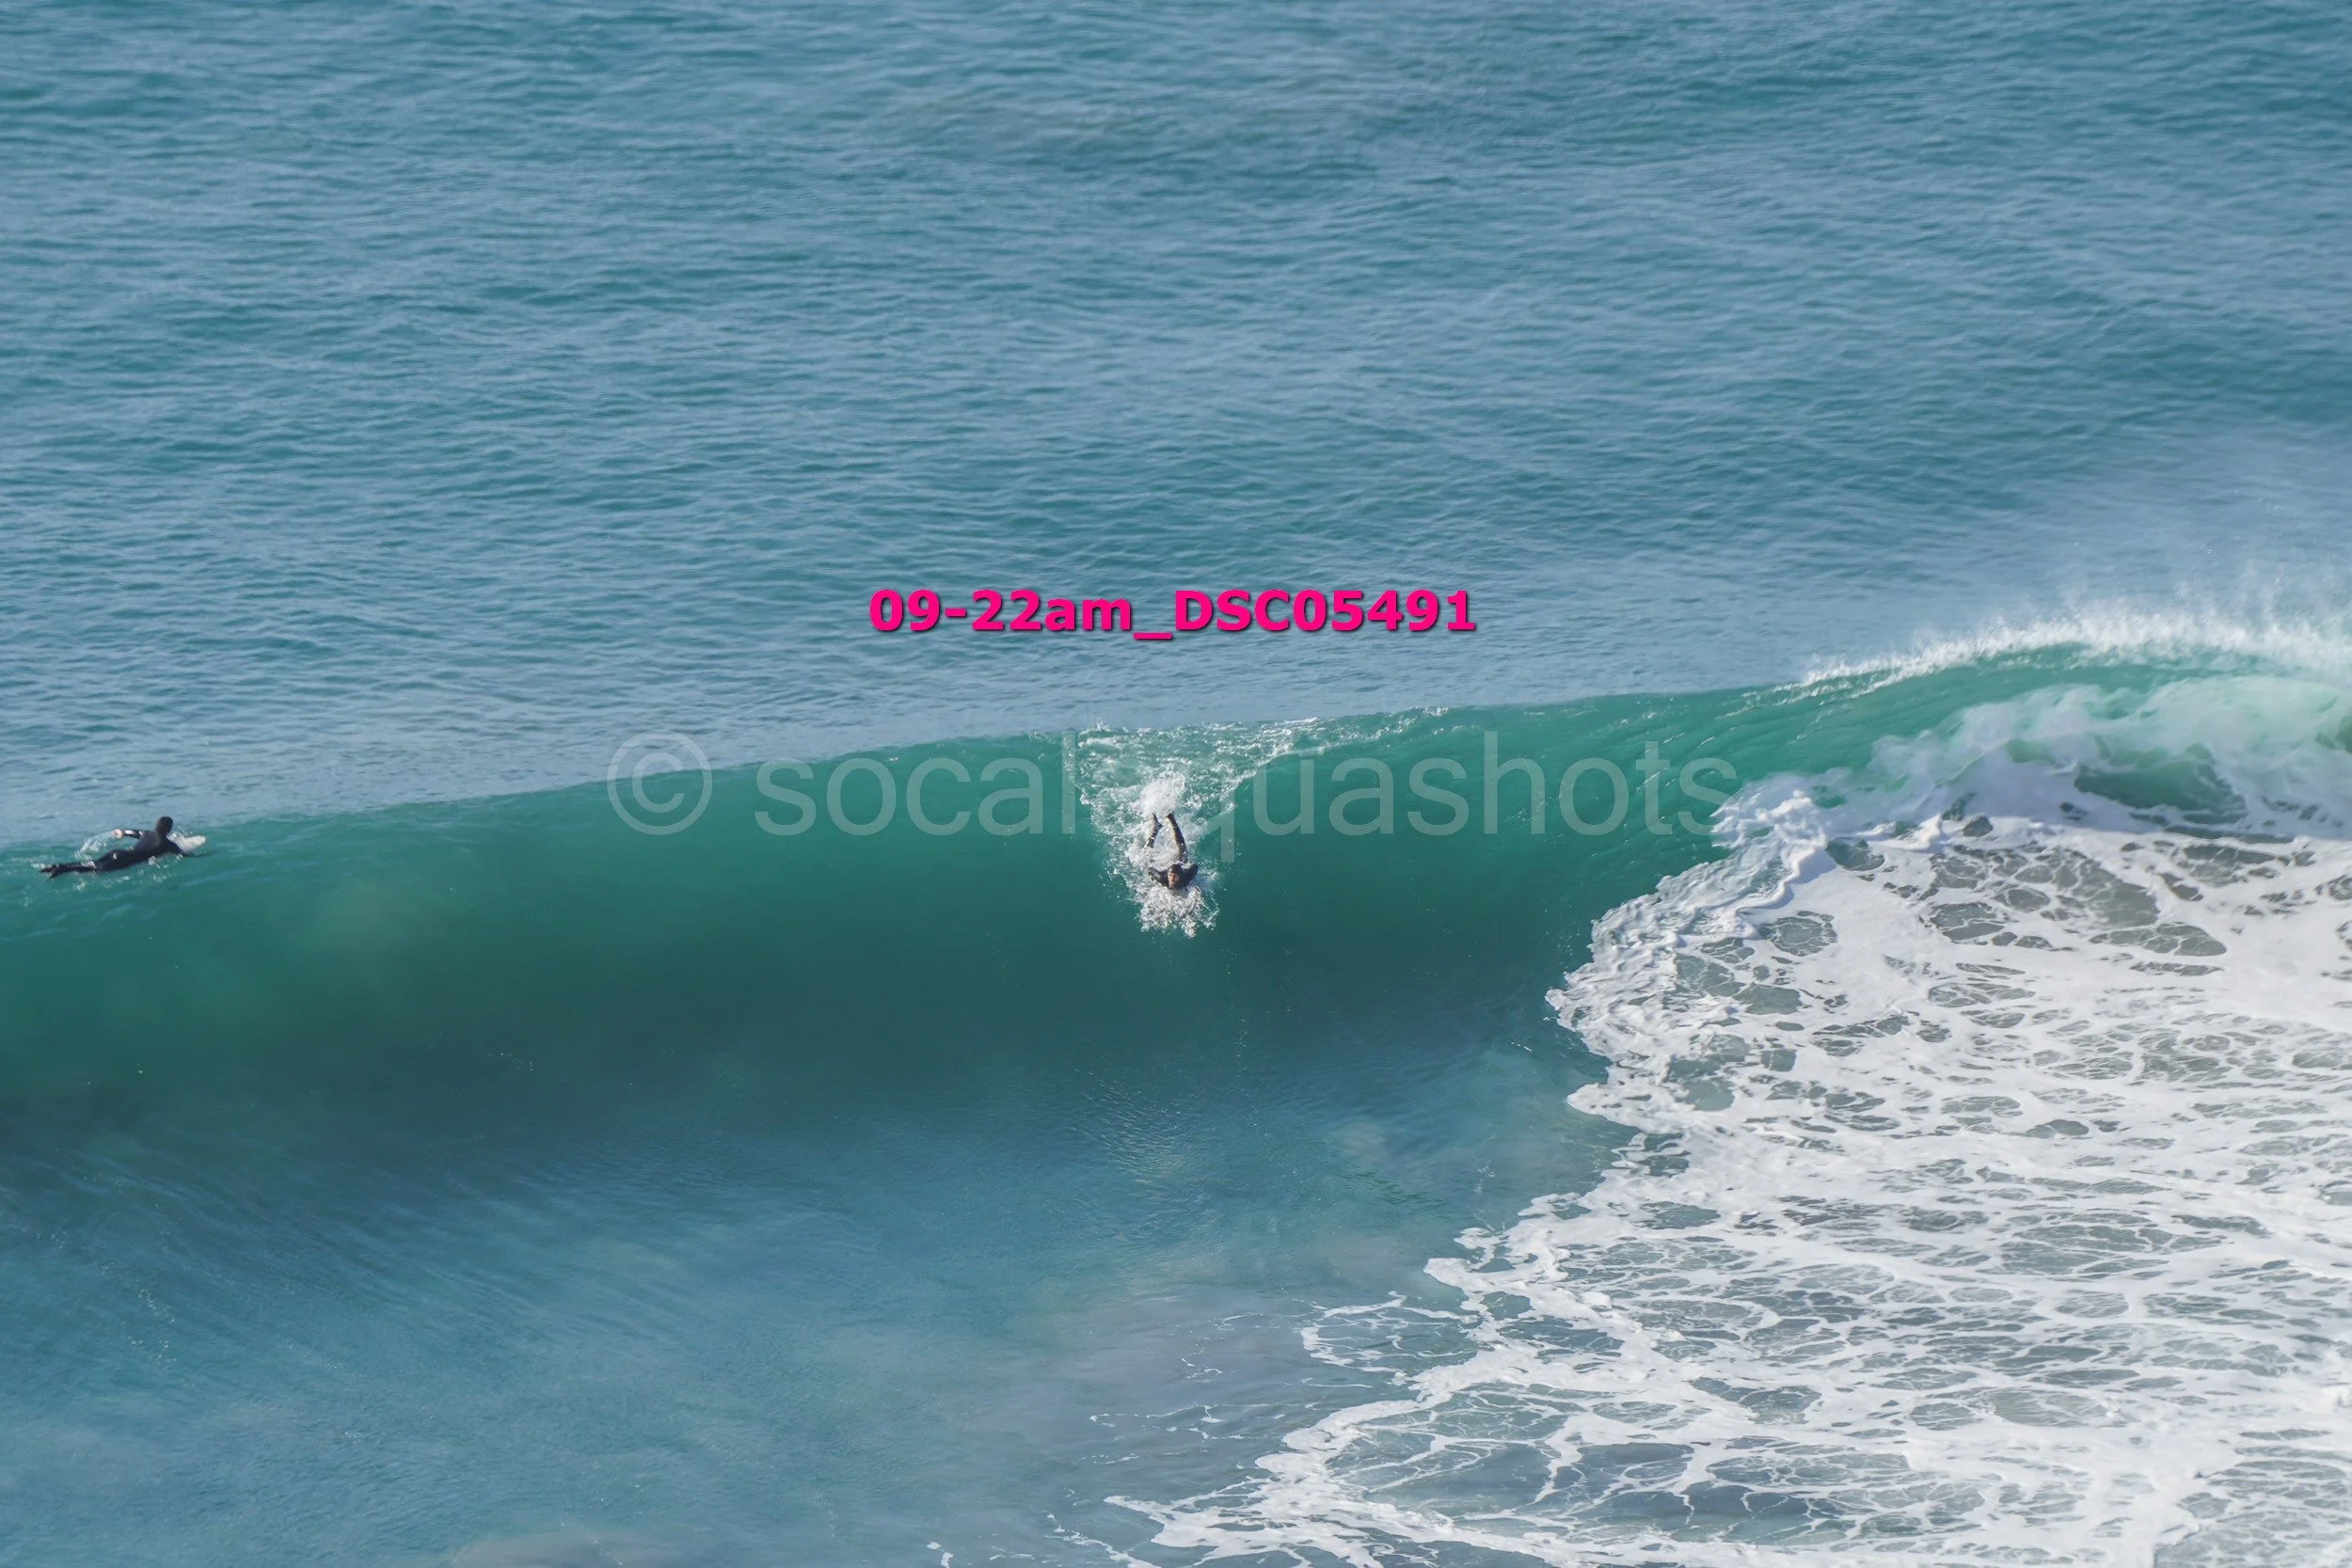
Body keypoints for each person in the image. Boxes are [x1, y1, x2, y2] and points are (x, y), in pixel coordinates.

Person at [40, 816, 188, 879]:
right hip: (127, 859)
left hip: (119, 852)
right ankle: (62, 869)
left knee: (91, 863)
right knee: (94, 869)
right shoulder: (168, 844)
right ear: (169, 830)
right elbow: (184, 855)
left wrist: (121, 832)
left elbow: (129, 832)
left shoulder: (146, 833)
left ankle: (56, 867)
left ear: (156, 826)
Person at [1147, 813, 1199, 891]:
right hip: (1170, 866)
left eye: (1174, 876)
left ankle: (1171, 819)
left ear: (1180, 876)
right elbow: (1150, 870)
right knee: (1147, 856)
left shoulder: (1186, 878)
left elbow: (1195, 867)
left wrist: (1184, 869)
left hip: (1180, 866)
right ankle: (1156, 828)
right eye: (1170, 875)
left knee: (1182, 848)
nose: (1171, 879)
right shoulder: (1162, 878)